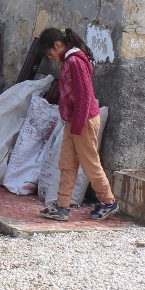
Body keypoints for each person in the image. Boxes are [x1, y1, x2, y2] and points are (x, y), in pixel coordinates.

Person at [37, 27, 119, 222]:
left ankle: (108, 201)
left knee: (90, 164)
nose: (51, 58)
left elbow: (84, 96)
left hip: (83, 121)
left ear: (58, 45)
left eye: (50, 53)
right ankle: (62, 206)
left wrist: (77, 126)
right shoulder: (69, 60)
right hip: (74, 122)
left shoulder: (74, 62)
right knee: (67, 164)